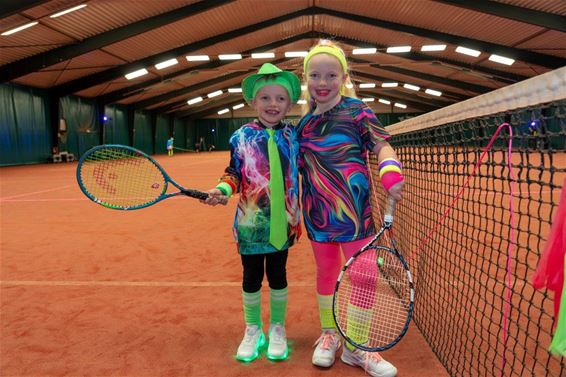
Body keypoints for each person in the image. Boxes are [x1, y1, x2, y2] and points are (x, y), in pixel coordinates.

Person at [297, 40, 404, 377]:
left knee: (364, 275)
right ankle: (330, 335)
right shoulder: (302, 127)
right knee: (326, 274)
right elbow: (290, 172)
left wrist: (390, 171)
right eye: (315, 75)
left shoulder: (357, 110)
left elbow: (381, 145)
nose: (323, 82)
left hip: (357, 216)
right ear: (306, 79)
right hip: (317, 217)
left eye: (331, 74)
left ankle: (357, 347)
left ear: (343, 77)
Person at [203, 63, 302, 362]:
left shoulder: (295, 136)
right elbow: (234, 172)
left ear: (290, 103)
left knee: (278, 274)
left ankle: (277, 328)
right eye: (265, 98)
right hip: (250, 222)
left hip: (283, 222)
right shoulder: (240, 137)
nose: (273, 104)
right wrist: (222, 190)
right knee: (251, 276)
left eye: (280, 98)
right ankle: (253, 329)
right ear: (252, 102)